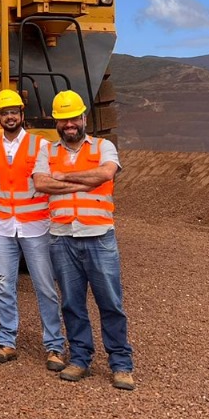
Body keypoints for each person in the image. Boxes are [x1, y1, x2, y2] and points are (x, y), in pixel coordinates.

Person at [32, 90, 135, 391]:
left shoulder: (105, 147)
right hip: (62, 237)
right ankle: (80, 359)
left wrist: (61, 178)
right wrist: (80, 181)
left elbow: (105, 175)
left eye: (74, 118)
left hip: (98, 236)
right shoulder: (46, 151)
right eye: (63, 120)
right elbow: (40, 182)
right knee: (72, 304)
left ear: (84, 118)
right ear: (57, 123)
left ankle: (121, 364)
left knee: (111, 303)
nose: (69, 124)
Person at [0, 89, 66, 370]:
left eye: (14, 112)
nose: (10, 117)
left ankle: (54, 346)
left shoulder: (40, 146)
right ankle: (7, 341)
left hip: (35, 225)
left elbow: (48, 181)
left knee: (44, 286)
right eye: (4, 113)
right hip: (3, 226)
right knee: (4, 285)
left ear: (21, 115)